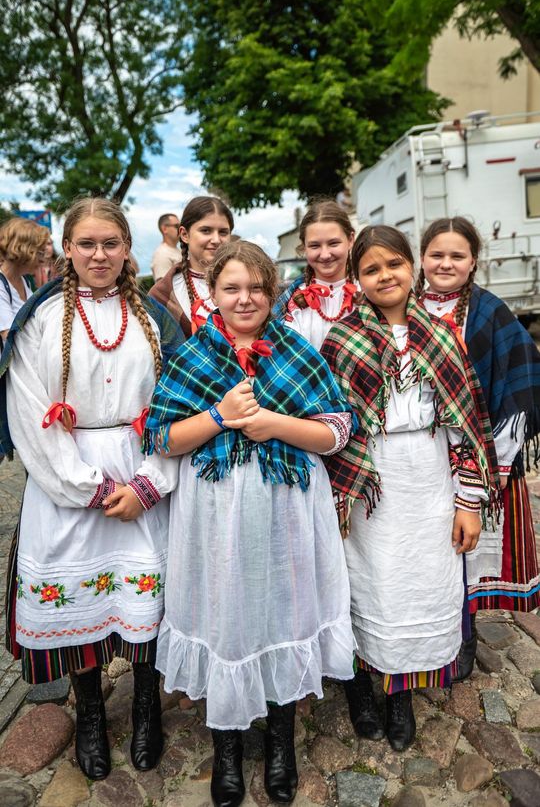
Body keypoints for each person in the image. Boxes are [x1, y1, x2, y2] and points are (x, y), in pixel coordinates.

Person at [144, 240, 356, 806]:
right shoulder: (191, 356)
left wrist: (274, 423)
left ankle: (281, 741)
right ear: (211, 293)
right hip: (214, 514)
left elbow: (337, 430)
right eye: (231, 288)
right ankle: (229, 748)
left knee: (285, 606)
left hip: (286, 507)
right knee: (227, 612)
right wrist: (220, 417)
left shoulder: (298, 352)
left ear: (273, 292)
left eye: (256, 288)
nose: (245, 299)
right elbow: (161, 437)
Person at [0, 197, 184, 781]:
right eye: (87, 244)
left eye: (110, 243)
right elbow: (30, 411)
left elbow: (183, 407)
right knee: (78, 602)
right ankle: (88, 715)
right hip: (68, 481)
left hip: (144, 469)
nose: (99, 254)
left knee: (148, 602)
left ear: (127, 248)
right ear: (68, 250)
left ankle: (149, 707)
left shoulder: (156, 320)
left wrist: (150, 484)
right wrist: (92, 488)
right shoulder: (41, 319)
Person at [321, 225, 499, 751]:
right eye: (371, 269)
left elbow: (464, 425)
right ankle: (359, 687)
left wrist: (468, 502)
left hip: (428, 478)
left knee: (419, 583)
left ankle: (401, 697)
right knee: (366, 581)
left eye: (393, 264)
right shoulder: (341, 339)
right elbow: (331, 423)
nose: (385, 276)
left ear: (411, 267)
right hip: (368, 480)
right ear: (357, 278)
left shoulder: (442, 335)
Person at [418, 216, 540, 679]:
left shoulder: (491, 313)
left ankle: (463, 634)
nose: (445, 263)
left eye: (457, 256)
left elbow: (519, 385)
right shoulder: (401, 308)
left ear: (473, 262)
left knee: (464, 546)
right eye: (436, 255)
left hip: (479, 455)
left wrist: (499, 461)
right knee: (426, 546)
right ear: (422, 258)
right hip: (420, 455)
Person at [273, 199, 360, 351]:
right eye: (315, 246)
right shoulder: (291, 301)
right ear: (304, 246)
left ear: (350, 239)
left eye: (333, 243)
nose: (325, 255)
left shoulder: (367, 292)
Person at [149, 196, 234, 337]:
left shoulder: (248, 282)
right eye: (206, 230)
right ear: (184, 234)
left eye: (223, 232)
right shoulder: (163, 294)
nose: (216, 240)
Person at [0, 218, 49, 339]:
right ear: (23, 250)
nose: (43, 260)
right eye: (40, 253)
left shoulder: (24, 281)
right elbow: (9, 336)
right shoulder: (1, 286)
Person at [150, 213, 181, 281]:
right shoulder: (161, 254)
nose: (180, 229)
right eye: (177, 226)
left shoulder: (177, 250)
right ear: (164, 229)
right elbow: (164, 288)